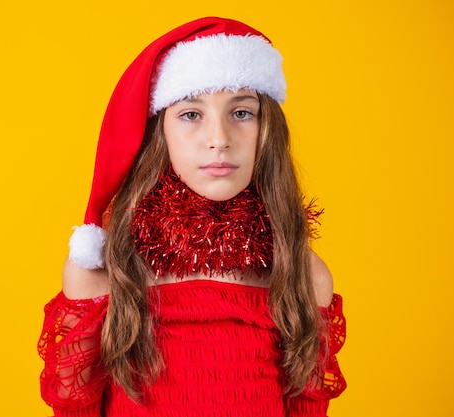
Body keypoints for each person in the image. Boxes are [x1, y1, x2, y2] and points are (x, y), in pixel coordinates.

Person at [38, 16, 347, 417]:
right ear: (158, 132)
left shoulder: (301, 274)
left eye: (241, 113)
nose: (219, 138)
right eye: (191, 114)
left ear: (267, 128)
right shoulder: (104, 271)